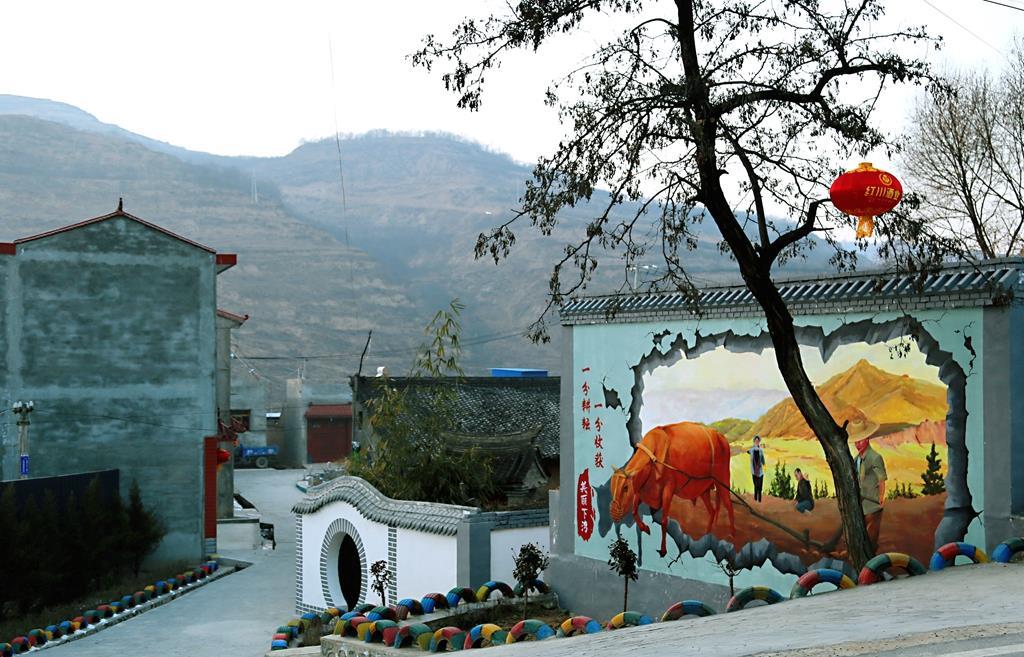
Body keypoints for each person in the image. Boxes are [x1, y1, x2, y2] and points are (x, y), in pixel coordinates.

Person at [854, 431, 887, 552]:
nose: (857, 444)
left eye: (860, 441)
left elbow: (881, 479)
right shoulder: (856, 459)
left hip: (872, 505)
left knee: (871, 540)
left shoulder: (875, 458)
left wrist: (880, 497)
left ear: (867, 439)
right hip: (860, 505)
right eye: (856, 442)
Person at [748, 435, 766, 502]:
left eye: (758, 441)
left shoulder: (761, 450)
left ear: (759, 441)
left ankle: (759, 499)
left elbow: (763, 459)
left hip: (760, 471)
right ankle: (755, 499)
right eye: (756, 441)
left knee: (760, 486)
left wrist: (764, 465)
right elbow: (748, 451)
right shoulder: (752, 450)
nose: (757, 442)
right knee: (756, 485)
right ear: (754, 442)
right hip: (754, 470)